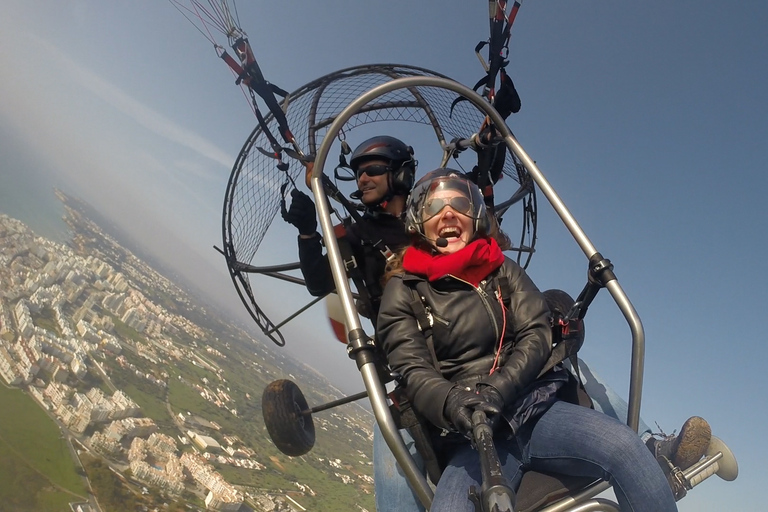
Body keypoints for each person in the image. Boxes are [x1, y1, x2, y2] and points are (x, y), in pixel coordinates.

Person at [282, 138, 710, 509]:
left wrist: (492, 140)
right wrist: (307, 232)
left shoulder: (482, 249)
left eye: (372, 170)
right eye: (435, 208)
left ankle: (656, 448)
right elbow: (323, 279)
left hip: (522, 393)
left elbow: (479, 186)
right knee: (393, 436)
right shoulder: (363, 242)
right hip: (438, 380)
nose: (362, 180)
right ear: (421, 221)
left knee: (582, 381)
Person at [376, 169, 679, 511]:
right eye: (434, 207)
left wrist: (501, 388)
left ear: (474, 215)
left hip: (533, 410)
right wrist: (454, 403)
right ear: (421, 223)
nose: (448, 213)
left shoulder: (501, 270)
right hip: (470, 438)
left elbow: (536, 331)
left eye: (459, 203)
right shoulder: (404, 291)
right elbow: (413, 368)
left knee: (625, 447)